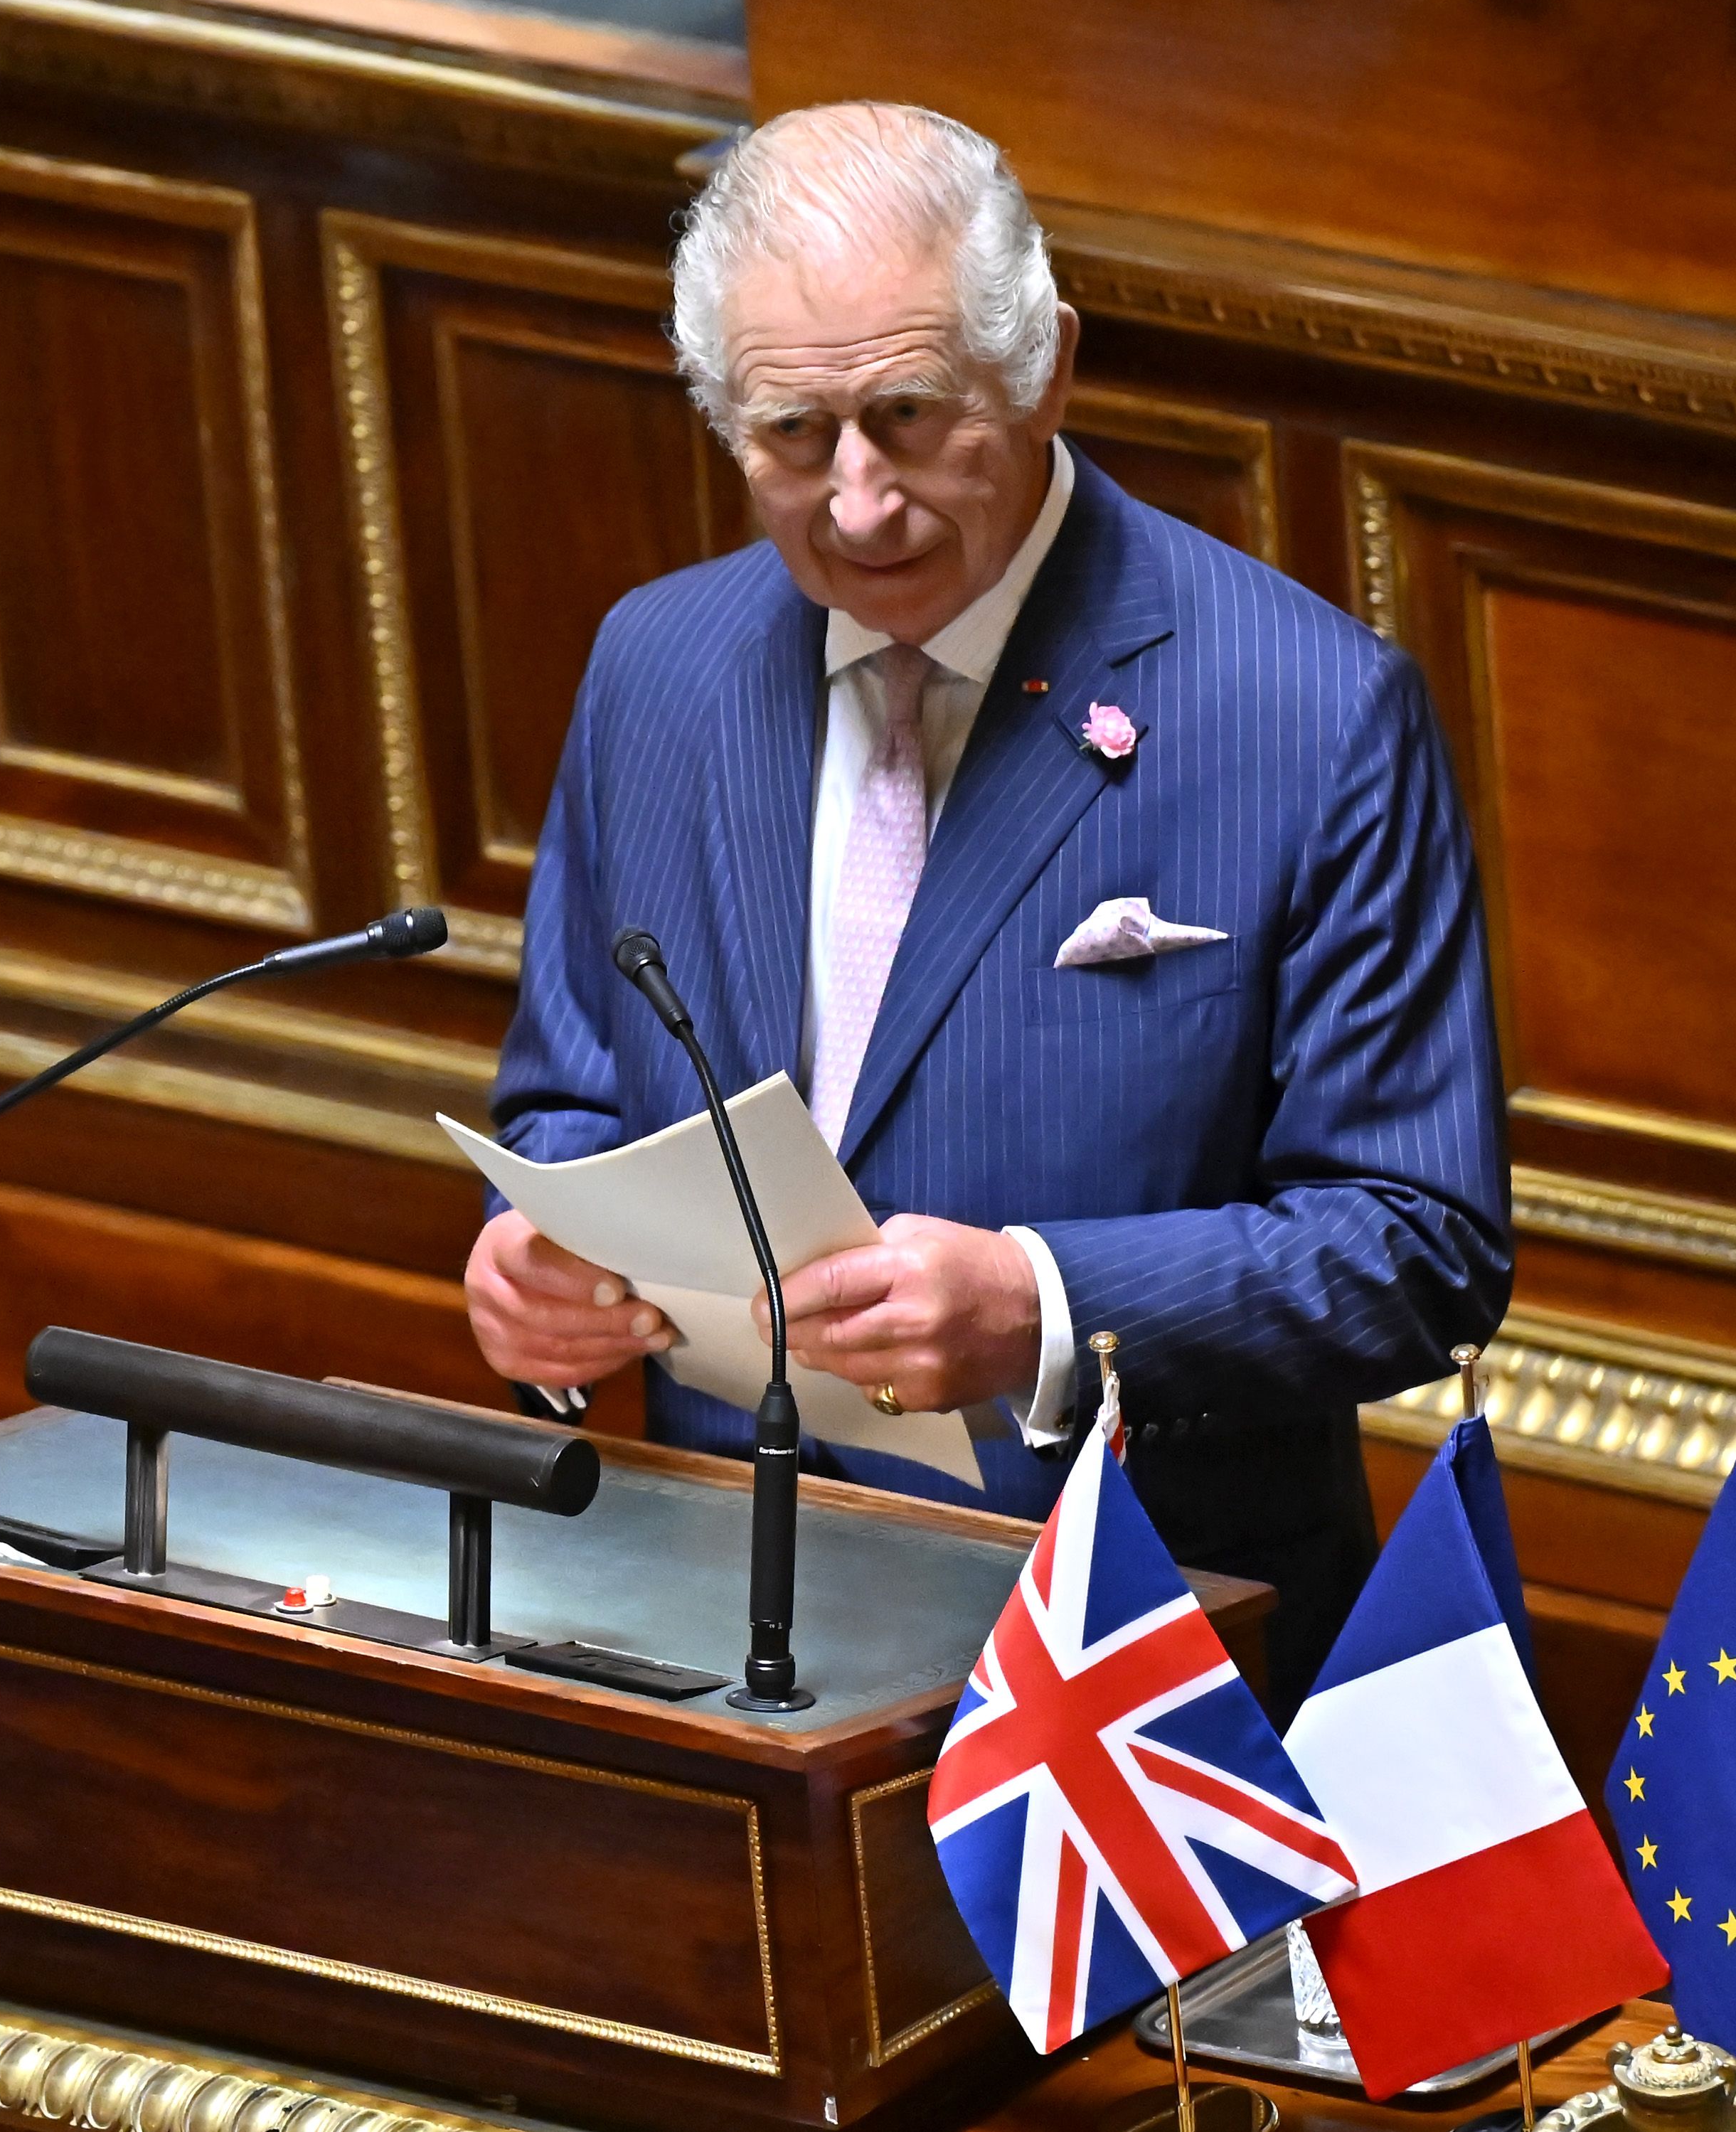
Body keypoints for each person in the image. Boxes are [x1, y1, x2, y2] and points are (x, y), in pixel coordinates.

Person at [466, 102, 1509, 1710]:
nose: (859, 504)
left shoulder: (1306, 714)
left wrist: (1043, 1307)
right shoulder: (657, 669)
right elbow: (571, 1097)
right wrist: (530, 1254)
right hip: (714, 1623)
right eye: (791, 439)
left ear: (1046, 371)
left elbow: (1417, 1243)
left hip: (1134, 1671)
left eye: (907, 416)